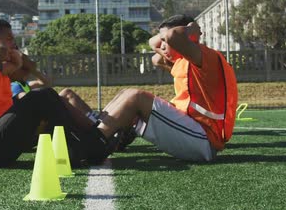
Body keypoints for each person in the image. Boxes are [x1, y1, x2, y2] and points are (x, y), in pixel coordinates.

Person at [0, 19, 115, 168]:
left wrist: (16, 56)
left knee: (49, 96)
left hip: (0, 144)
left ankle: (93, 139)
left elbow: (29, 70)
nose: (13, 43)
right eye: (9, 38)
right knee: (40, 97)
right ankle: (89, 147)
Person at [94, 14, 238, 162]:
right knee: (125, 94)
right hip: (194, 131)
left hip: (205, 139)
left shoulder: (206, 57)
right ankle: (95, 131)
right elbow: (154, 50)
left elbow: (172, 36)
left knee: (136, 97)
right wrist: (170, 36)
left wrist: (190, 29)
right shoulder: (184, 61)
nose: (161, 45)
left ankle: (92, 146)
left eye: (165, 40)